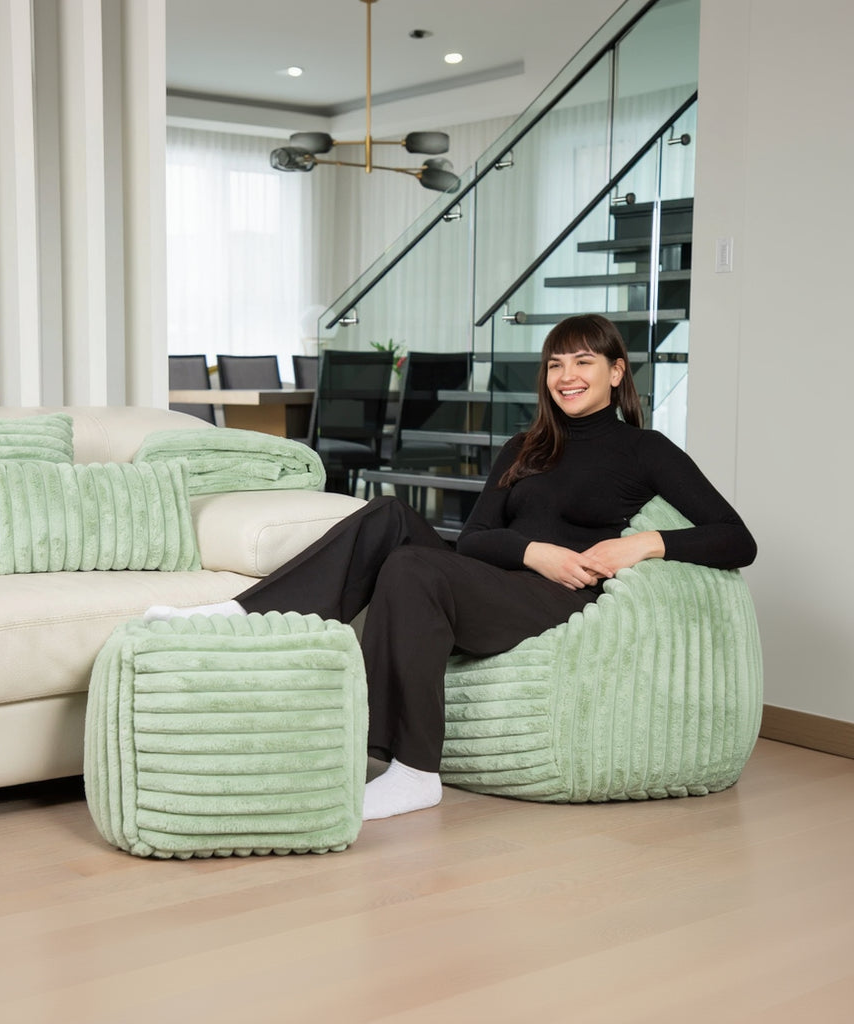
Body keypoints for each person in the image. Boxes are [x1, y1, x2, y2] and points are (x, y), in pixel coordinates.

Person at [146, 314, 757, 822]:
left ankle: (414, 771)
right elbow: (475, 541)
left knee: (414, 568)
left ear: (616, 371)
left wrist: (642, 543)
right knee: (386, 515)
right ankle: (241, 617)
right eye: (555, 364)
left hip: (554, 600)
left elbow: (736, 539)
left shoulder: (645, 450)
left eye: (583, 362)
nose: (566, 377)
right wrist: (530, 550)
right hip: (500, 577)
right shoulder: (525, 447)